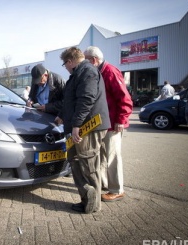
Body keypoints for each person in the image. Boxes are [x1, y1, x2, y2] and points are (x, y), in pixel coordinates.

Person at [55, 47, 110, 213]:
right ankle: (86, 199)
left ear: (70, 61)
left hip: (88, 127)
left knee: (87, 164)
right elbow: (71, 100)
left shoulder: (87, 72)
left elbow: (86, 99)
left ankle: (93, 205)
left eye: (64, 64)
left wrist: (77, 125)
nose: (65, 67)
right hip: (79, 126)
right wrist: (61, 115)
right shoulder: (78, 74)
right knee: (76, 162)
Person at [84, 46, 133, 202]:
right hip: (103, 124)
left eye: (85, 60)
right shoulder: (98, 72)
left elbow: (124, 98)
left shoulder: (110, 71)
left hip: (113, 124)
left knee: (112, 157)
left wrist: (121, 119)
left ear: (93, 60)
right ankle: (105, 184)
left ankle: (117, 190)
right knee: (103, 157)